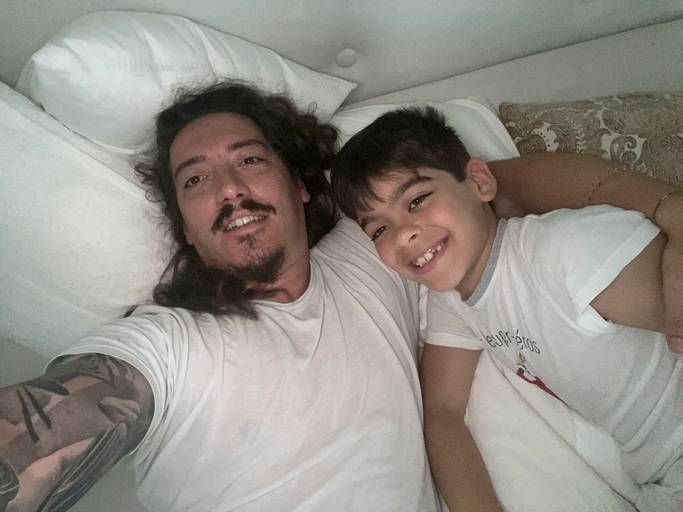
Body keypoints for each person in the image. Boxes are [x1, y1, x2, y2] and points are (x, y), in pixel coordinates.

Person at [0, 81, 680, 512]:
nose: (229, 188)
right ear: (183, 224)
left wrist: (666, 208)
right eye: (195, 180)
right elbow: (57, 420)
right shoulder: (164, 343)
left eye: (249, 159)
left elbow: (500, 184)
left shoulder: (379, 242)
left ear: (299, 184)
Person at [330, 105, 683, 512]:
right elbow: (443, 413)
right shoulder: (451, 302)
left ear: (479, 182)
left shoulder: (565, 251)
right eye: (379, 229)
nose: (403, 235)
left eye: (418, 200)